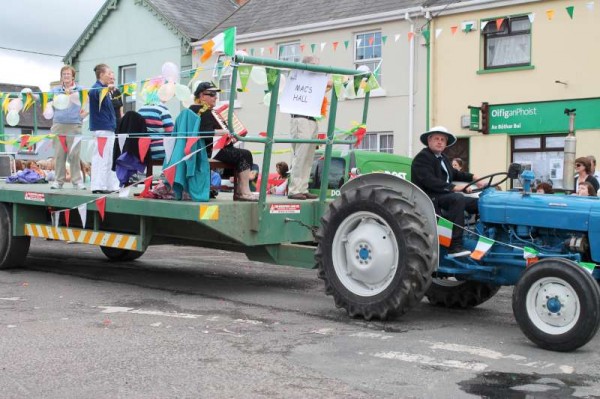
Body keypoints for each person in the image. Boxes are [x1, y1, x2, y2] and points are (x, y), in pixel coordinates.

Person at [411, 126, 484, 256]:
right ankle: (455, 246)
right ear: (429, 141)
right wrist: (454, 187)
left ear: (445, 144)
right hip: (430, 199)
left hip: (444, 197)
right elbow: (429, 180)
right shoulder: (423, 158)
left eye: (443, 140)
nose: (440, 142)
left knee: (480, 203)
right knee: (458, 198)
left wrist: (475, 178)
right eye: (437, 139)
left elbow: (455, 174)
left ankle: (481, 236)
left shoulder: (443, 158)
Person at [190, 82, 257, 201]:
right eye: (211, 94)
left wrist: (229, 136)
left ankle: (242, 191)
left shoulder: (205, 111)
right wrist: (223, 132)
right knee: (244, 154)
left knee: (244, 153)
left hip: (212, 148)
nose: (215, 97)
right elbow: (205, 133)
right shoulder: (201, 110)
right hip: (208, 149)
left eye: (215, 94)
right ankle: (243, 192)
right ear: (201, 96)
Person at [287, 55, 328, 200]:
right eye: (313, 64)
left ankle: (303, 187)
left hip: (312, 118)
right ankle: (294, 189)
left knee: (309, 155)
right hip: (300, 118)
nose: (316, 67)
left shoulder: (315, 82)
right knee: (300, 154)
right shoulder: (298, 78)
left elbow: (325, 88)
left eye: (318, 64)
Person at [50, 65, 86, 190]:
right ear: (61, 76)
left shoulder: (80, 89)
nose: (66, 76)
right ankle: (58, 181)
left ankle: (77, 181)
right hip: (58, 125)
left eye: (68, 74)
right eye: (64, 74)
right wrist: (30, 96)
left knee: (74, 154)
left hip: (74, 125)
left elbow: (92, 100)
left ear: (73, 76)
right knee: (59, 155)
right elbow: (44, 99)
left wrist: (84, 115)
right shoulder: (55, 90)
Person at [89, 63, 120, 194]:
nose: (110, 76)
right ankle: (98, 185)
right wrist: (107, 89)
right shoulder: (96, 88)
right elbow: (93, 94)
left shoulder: (104, 89)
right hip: (102, 127)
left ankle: (108, 184)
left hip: (108, 127)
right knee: (101, 157)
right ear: (101, 74)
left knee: (108, 158)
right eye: (108, 73)